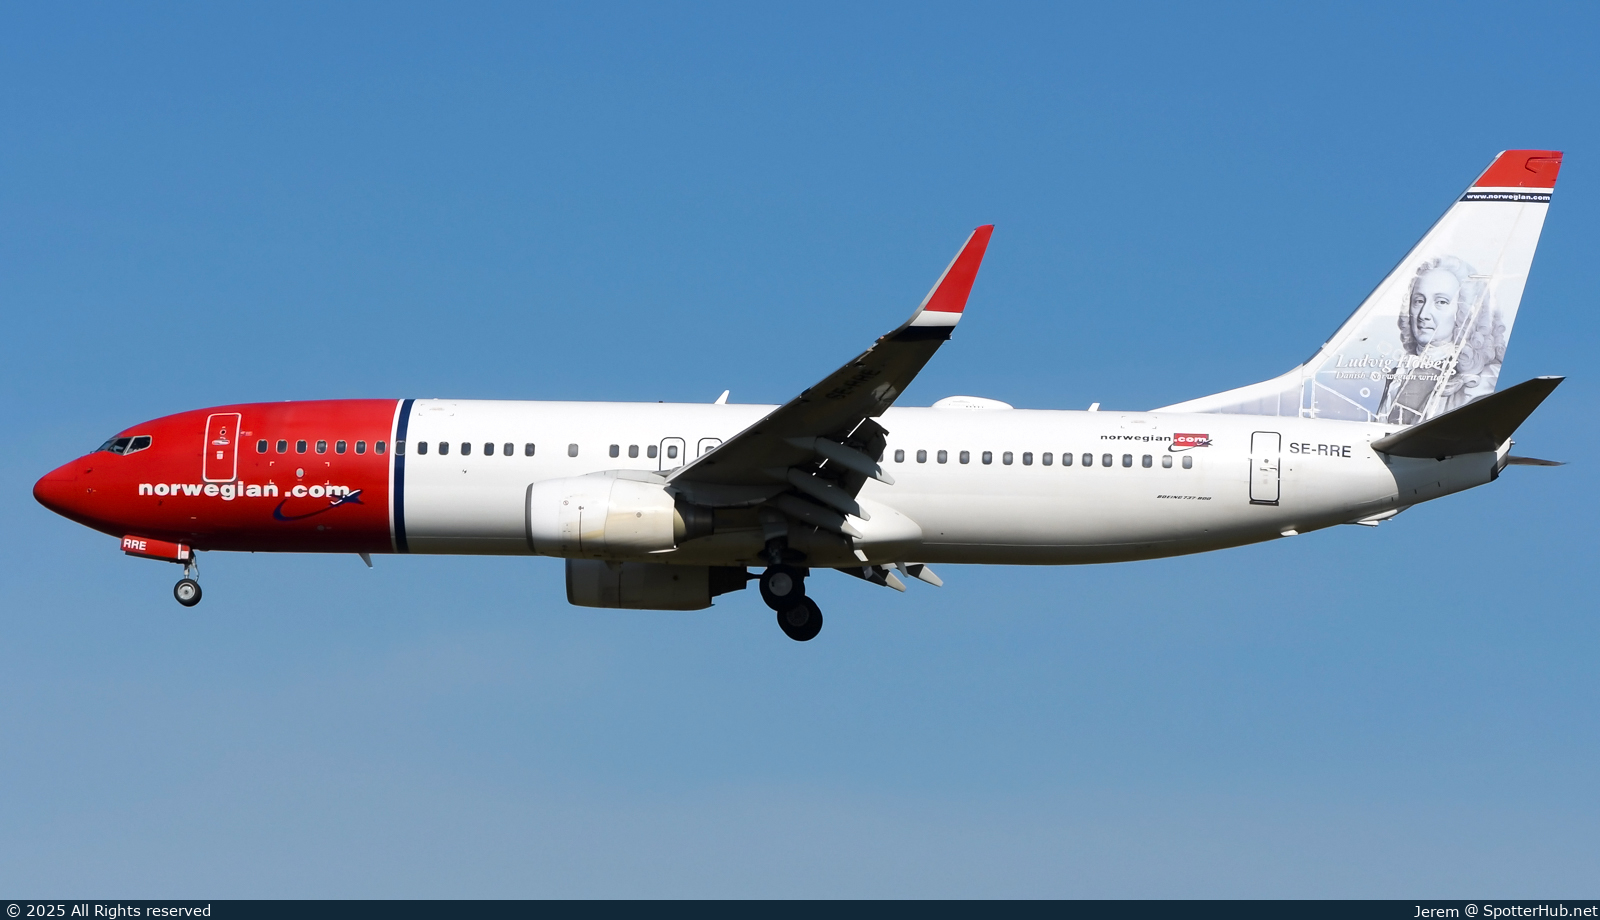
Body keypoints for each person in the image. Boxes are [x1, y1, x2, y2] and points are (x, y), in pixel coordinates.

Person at [1379, 256, 1505, 425]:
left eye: (1441, 302)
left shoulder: (1481, 378)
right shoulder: (1400, 373)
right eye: (1418, 301)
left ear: (1464, 311)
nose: (1423, 315)